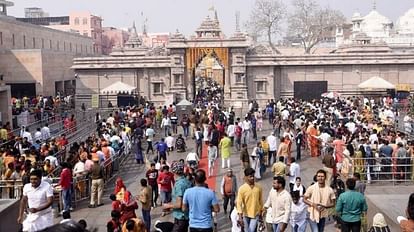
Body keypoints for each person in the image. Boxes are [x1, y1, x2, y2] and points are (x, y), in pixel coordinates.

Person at [163, 161, 192, 232]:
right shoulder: (186, 181)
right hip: (185, 215)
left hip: (181, 217)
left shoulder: (179, 184)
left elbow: (179, 204)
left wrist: (168, 206)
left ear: (174, 172)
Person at [236, 167, 263, 232]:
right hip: (245, 214)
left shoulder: (258, 187)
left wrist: (261, 214)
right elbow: (239, 203)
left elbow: (261, 201)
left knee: (251, 230)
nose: (252, 178)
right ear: (245, 177)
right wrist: (240, 217)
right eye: (250, 176)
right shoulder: (242, 189)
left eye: (253, 176)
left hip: (255, 214)